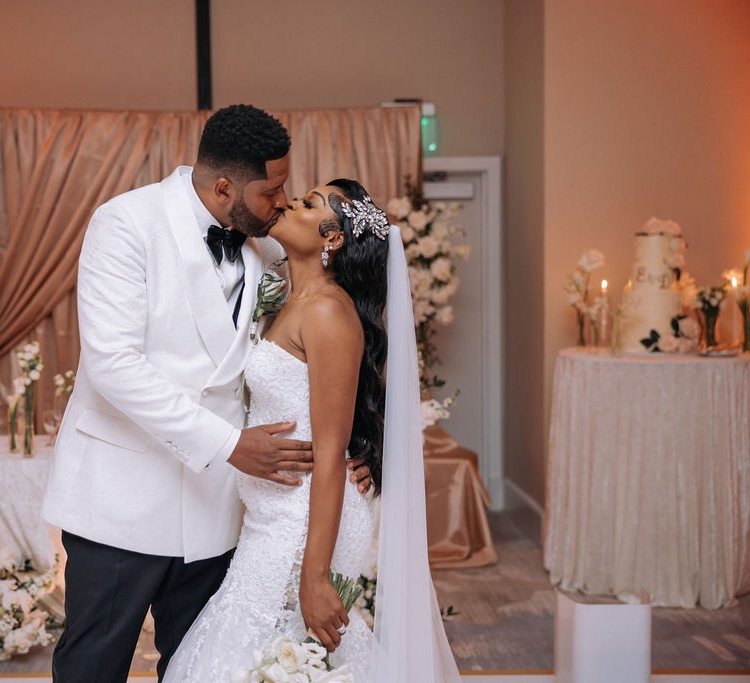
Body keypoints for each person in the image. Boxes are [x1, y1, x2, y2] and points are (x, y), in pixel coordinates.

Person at [41, 105, 372, 682]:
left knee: (200, 668)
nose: (284, 201)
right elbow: (114, 365)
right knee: (93, 665)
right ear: (225, 187)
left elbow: (336, 350)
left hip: (219, 512)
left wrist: (359, 446)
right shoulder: (125, 223)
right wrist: (228, 444)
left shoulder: (270, 250)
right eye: (273, 190)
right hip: (121, 500)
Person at [163, 180, 462, 682]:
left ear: (333, 239)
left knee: (285, 649)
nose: (287, 203)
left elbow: (330, 449)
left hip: (303, 520)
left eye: (306, 204)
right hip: (275, 513)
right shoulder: (286, 297)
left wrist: (317, 574)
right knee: (276, 653)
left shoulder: (326, 310)